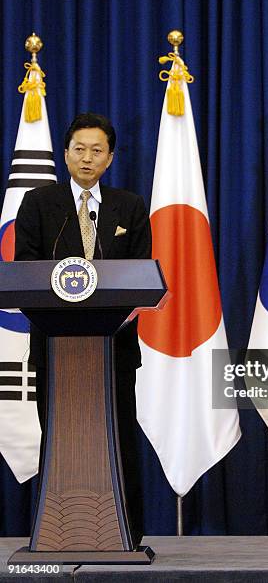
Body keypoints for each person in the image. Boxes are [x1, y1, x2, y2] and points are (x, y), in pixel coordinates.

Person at [15, 112, 151, 545]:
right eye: (79, 149)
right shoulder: (39, 203)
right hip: (56, 347)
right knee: (59, 437)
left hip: (114, 349)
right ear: (66, 153)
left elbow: (141, 277)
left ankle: (124, 534)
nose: (87, 158)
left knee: (117, 437)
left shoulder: (129, 206)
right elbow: (24, 273)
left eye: (97, 151)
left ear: (110, 158)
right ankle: (55, 535)